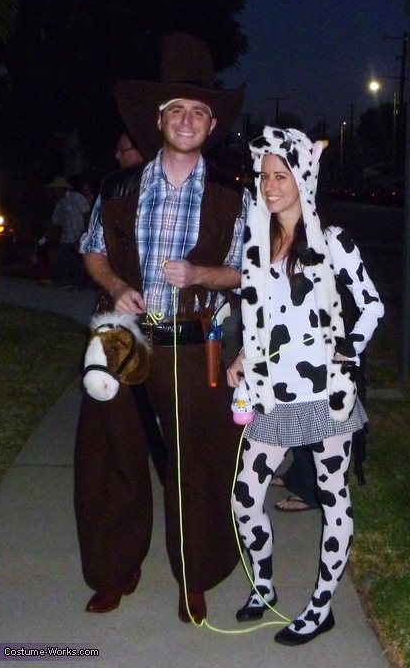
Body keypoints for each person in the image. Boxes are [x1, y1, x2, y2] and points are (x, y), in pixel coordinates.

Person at [74, 33, 249, 623]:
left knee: (196, 464)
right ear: (159, 119)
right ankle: (112, 570)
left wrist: (202, 271)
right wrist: (115, 286)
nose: (189, 119)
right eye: (178, 109)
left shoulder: (231, 197)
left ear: (210, 125)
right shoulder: (120, 187)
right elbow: (93, 251)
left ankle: (194, 577)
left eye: (200, 111)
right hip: (126, 337)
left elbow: (247, 271)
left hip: (193, 342)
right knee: (111, 456)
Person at [227, 126, 384, 645]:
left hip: (326, 397)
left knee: (333, 497)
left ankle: (322, 606)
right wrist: (245, 356)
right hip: (274, 394)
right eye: (265, 176)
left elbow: (372, 304)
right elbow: (266, 318)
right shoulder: (258, 244)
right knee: (245, 497)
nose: (270, 186)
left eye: (282, 175)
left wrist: (350, 347)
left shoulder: (332, 241)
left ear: (302, 177)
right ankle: (264, 584)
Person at [46, 175, 90, 289]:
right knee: (63, 258)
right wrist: (47, 234)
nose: (55, 192)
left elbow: (86, 213)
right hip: (67, 236)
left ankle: (79, 283)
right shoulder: (60, 203)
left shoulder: (76, 197)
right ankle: (69, 281)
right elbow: (56, 221)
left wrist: (85, 232)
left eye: (56, 189)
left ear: (61, 188)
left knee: (78, 260)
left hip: (78, 233)